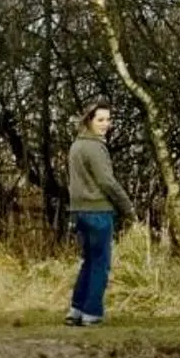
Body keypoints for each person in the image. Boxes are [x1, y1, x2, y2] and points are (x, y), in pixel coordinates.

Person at [66, 103, 137, 326]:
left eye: (108, 119)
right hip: (97, 211)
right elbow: (107, 181)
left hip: (78, 211)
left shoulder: (76, 146)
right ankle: (92, 313)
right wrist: (127, 207)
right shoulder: (94, 148)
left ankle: (76, 310)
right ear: (89, 120)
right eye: (101, 120)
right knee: (100, 263)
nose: (106, 124)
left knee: (88, 261)